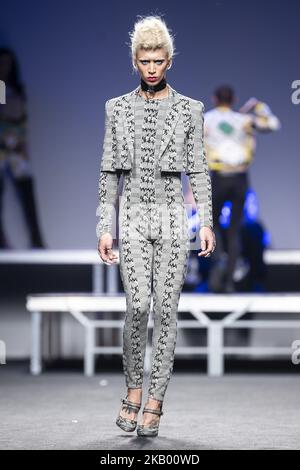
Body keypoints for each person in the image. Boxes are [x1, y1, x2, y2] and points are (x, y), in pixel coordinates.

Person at [96, 15, 216, 437]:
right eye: (144, 60)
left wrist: (205, 222)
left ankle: (155, 400)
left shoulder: (189, 110)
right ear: (135, 61)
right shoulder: (117, 108)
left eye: (158, 60)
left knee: (166, 309)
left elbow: (199, 172)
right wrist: (103, 226)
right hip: (130, 215)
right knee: (138, 306)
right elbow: (109, 173)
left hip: (170, 217)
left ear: (169, 61)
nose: (151, 67)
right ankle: (132, 388)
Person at [204, 85, 280, 293]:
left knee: (211, 225)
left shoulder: (206, 119)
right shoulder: (243, 120)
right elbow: (272, 124)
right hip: (239, 179)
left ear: (214, 99)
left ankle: (218, 262)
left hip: (219, 177)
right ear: (234, 99)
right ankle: (228, 279)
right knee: (234, 229)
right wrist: (260, 107)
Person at [0, 47, 45, 249]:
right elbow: (3, 115)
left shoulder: (17, 88)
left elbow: (22, 119)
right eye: (2, 63)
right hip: (2, 148)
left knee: (27, 193)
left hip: (17, 149)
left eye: (8, 63)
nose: (5, 67)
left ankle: (37, 240)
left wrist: (23, 143)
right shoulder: (0, 87)